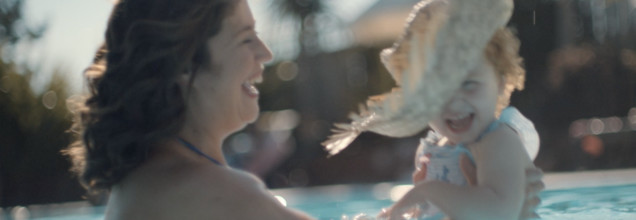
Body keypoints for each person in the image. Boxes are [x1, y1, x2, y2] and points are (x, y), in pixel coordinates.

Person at [64, 0, 312, 219]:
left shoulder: (135, 185)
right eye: (246, 38)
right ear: (185, 62)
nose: (266, 53)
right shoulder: (216, 194)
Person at [322, 0, 544, 219]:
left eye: (468, 83)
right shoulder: (433, 150)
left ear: (500, 83)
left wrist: (426, 191)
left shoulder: (498, 141)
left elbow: (498, 213)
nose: (453, 102)